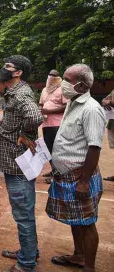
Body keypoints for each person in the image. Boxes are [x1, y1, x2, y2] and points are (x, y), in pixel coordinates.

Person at [46, 64, 106, 271]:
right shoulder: (73, 103)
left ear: (81, 85)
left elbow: (95, 147)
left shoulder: (91, 109)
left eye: (67, 80)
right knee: (76, 220)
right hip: (67, 175)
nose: (62, 84)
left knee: (87, 222)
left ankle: (89, 266)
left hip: (80, 177)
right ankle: (79, 255)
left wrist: (84, 182)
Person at [0, 55, 43, 272]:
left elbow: (34, 116)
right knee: (24, 211)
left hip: (18, 165)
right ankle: (29, 252)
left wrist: (26, 135)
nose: (3, 68)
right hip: (14, 162)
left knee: (23, 213)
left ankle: (26, 264)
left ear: (18, 72)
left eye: (8, 66)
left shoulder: (22, 93)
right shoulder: (15, 91)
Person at [38, 69, 68, 184]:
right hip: (46, 124)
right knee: (48, 149)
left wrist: (50, 111)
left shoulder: (62, 89)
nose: (51, 78)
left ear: (58, 78)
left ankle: (59, 175)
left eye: (54, 76)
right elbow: (41, 104)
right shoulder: (45, 90)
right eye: (49, 75)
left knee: (57, 150)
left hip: (57, 124)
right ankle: (54, 171)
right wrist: (41, 109)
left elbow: (66, 106)